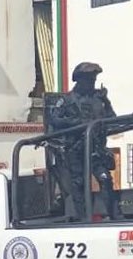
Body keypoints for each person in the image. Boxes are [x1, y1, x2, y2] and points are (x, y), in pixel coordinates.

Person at [48, 62, 119, 219]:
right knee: (79, 184)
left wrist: (106, 101)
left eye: (93, 80)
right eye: (88, 80)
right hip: (76, 150)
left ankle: (112, 216)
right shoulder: (67, 100)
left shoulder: (98, 99)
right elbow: (55, 120)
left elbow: (112, 118)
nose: (91, 83)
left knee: (105, 179)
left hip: (96, 149)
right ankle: (83, 219)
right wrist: (77, 123)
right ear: (79, 80)